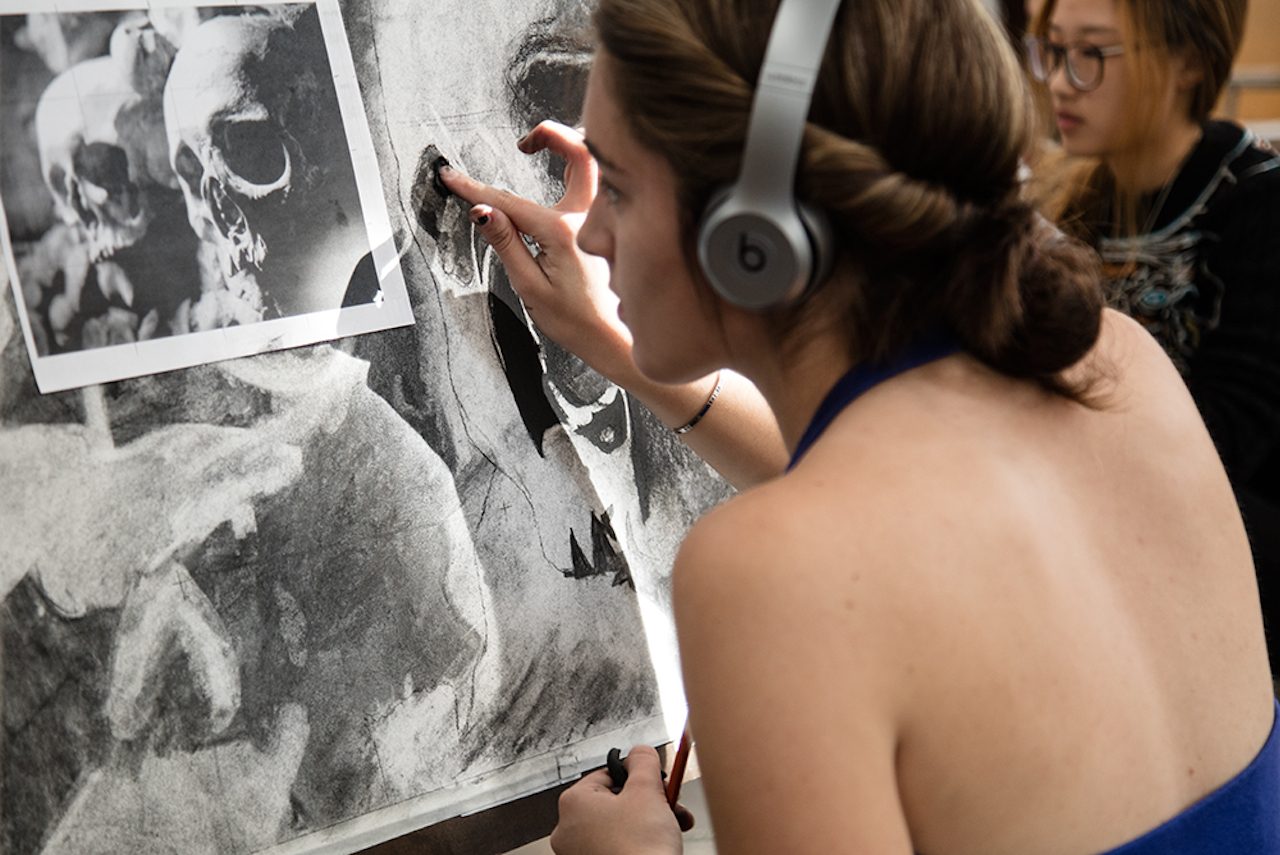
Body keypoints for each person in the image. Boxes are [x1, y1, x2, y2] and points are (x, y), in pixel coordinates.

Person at [442, 0, 1277, 851]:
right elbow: (893, 500)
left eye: (615, 185)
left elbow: (847, 533)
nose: (590, 229)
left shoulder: (765, 572)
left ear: (751, 234)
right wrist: (622, 351)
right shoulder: (1120, 362)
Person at [1024, 0, 1280, 666]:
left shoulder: (1257, 201)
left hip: (1231, 560)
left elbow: (1227, 438)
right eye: (1053, 50)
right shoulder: (1066, 203)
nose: (1059, 80)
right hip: (1102, 522)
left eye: (1092, 54)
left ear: (1187, 62)